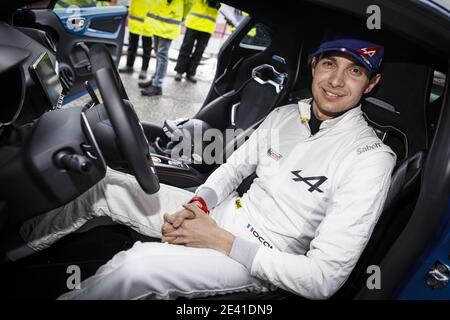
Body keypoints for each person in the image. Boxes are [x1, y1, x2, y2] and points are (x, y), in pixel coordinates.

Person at [19, 37, 396, 300]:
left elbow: (323, 280)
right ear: (314, 66)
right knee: (107, 184)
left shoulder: (369, 158)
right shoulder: (285, 115)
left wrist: (221, 241)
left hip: (263, 259)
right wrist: (197, 206)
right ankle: (18, 248)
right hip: (222, 214)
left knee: (137, 267)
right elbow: (233, 168)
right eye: (329, 64)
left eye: (355, 72)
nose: (336, 81)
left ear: (371, 83)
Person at [139, 0, 194, 96]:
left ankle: (157, 85)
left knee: (162, 55)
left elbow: (189, 3)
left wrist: (181, 15)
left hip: (168, 23)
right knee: (158, 53)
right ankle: (154, 80)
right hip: (157, 20)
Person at [173, 0, 220, 83]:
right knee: (186, 48)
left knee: (199, 52)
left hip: (207, 26)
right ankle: (179, 71)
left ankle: (191, 73)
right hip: (193, 23)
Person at [119, 0, 153, 80]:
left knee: (147, 48)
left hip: (148, 22)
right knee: (132, 45)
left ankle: (144, 70)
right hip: (135, 20)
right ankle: (129, 66)